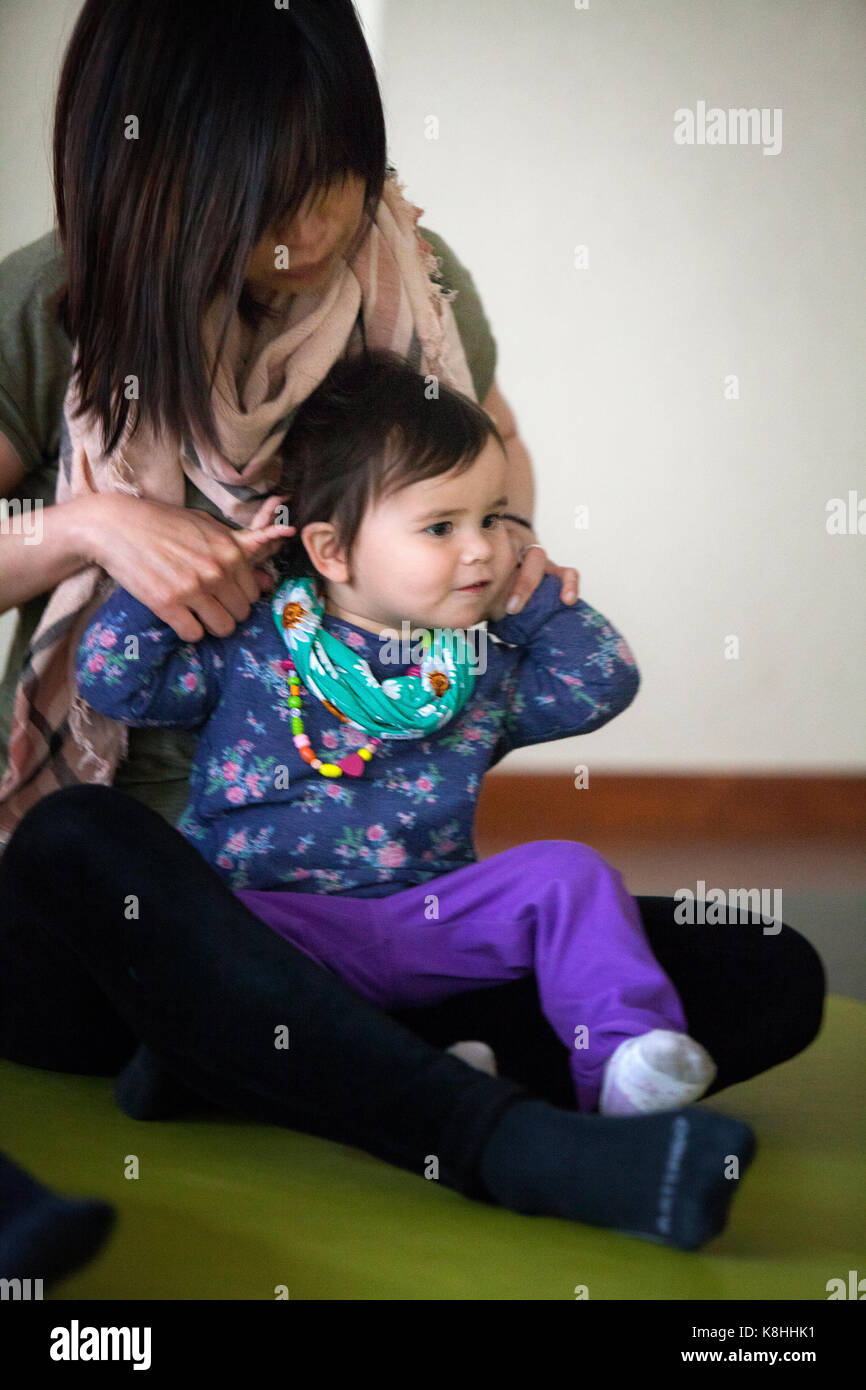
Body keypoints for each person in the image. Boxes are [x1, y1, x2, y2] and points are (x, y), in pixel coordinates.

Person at [0, 0, 824, 1259]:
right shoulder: (53, 301)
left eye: (334, 173)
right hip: (142, 904)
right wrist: (89, 530)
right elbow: (107, 647)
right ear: (153, 164)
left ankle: (260, 1061)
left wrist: (466, 576)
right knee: (76, 845)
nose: (314, 227)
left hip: (388, 908)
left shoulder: (417, 288)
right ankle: (504, 1137)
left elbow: (496, 472)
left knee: (765, 972)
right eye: (265, 191)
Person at [71, 347, 722, 1121]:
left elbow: (601, 682)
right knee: (188, 925)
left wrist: (537, 600)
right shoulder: (252, 645)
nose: (481, 547)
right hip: (277, 924)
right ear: (331, 549)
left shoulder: (478, 667)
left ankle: (623, 1062)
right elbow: (115, 680)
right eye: (441, 526)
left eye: (493, 518)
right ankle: (284, 1065)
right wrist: (180, 579)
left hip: (431, 921)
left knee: (568, 873)